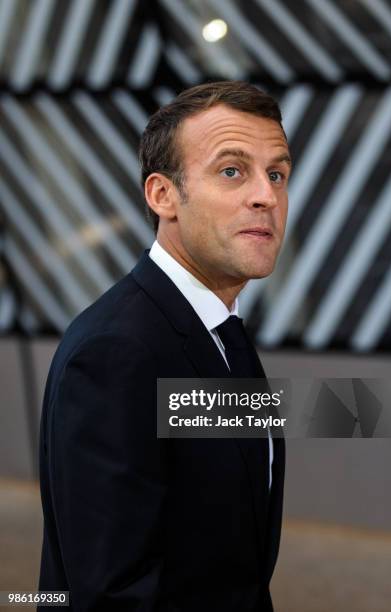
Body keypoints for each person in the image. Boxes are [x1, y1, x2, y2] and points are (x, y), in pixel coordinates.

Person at [38, 81, 291, 611]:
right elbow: (109, 596)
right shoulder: (116, 352)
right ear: (163, 195)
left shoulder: (223, 332)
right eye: (231, 170)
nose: (266, 195)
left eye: (276, 173)